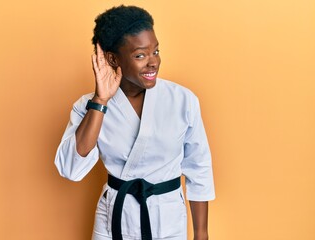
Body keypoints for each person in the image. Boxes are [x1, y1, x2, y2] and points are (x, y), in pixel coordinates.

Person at [55, 5, 215, 240]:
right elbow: (71, 169)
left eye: (156, 52)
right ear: (112, 58)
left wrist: (202, 234)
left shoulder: (183, 100)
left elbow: (199, 168)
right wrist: (101, 100)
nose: (153, 62)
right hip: (114, 219)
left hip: (167, 219)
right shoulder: (87, 106)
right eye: (140, 55)